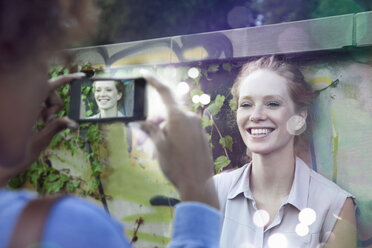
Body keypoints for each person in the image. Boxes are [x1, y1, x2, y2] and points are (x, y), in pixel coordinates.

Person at [0, 1, 220, 247]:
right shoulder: (68, 228)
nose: (44, 84)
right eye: (41, 64)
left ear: (118, 96)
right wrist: (196, 187)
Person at [214, 56, 357, 248]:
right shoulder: (214, 192)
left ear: (299, 118)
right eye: (246, 104)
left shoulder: (335, 207)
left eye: (272, 103)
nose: (256, 116)